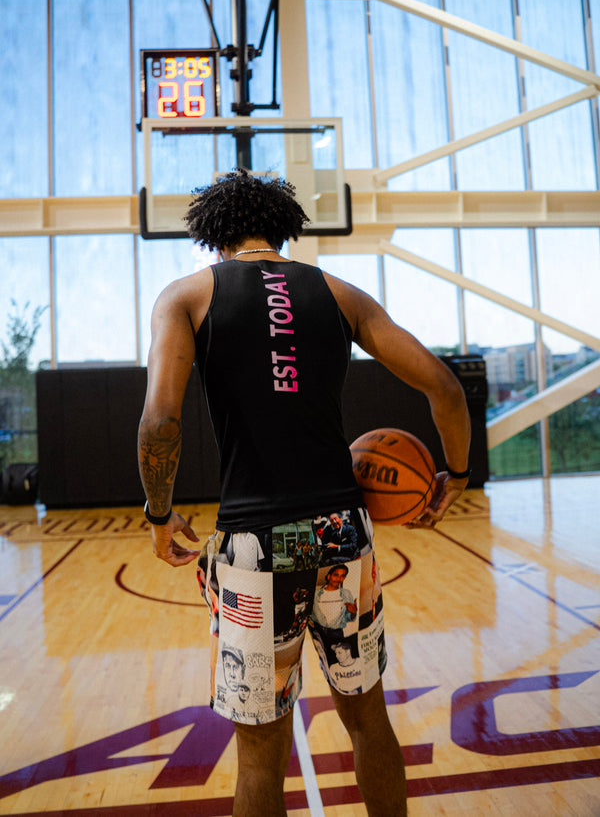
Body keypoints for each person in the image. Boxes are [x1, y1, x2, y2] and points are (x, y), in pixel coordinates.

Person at [138, 168, 471, 817]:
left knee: (261, 756)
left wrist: (158, 513)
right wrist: (452, 475)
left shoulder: (185, 295)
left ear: (213, 237)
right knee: (369, 722)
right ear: (286, 228)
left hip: (254, 547)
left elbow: (159, 422)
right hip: (342, 532)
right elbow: (446, 389)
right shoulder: (340, 293)